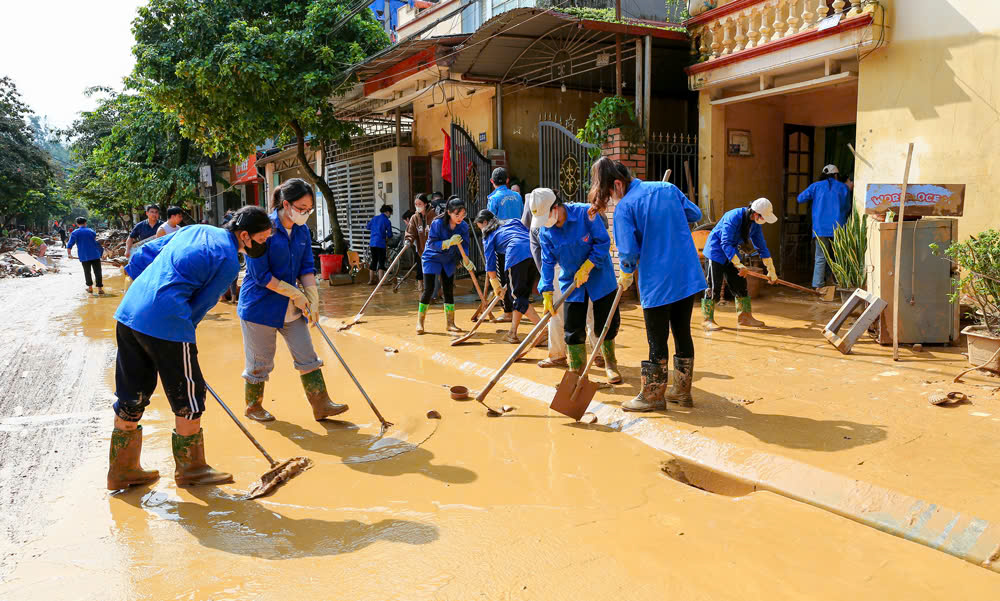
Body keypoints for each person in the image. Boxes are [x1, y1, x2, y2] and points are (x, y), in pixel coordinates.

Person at [107, 205, 272, 490]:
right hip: (166, 319)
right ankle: (191, 469)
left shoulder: (195, 229)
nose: (264, 244)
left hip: (128, 312)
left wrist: (135, 280)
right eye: (262, 239)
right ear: (245, 235)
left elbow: (146, 254)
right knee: (190, 395)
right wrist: (183, 339)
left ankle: (122, 470)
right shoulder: (229, 260)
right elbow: (201, 305)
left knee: (132, 391)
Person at [592, 158, 706, 411]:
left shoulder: (625, 208)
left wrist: (626, 273)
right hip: (686, 275)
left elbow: (628, 253)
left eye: (610, 193)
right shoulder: (667, 189)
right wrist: (667, 215)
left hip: (658, 280)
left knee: (657, 338)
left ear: (618, 184)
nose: (612, 199)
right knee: (682, 331)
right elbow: (695, 214)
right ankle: (682, 392)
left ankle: (654, 395)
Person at [237, 178, 348, 423]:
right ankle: (253, 407)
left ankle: (322, 404)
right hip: (260, 307)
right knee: (259, 363)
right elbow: (260, 275)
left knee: (307, 355)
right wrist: (296, 294)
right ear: (286, 205)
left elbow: (307, 266)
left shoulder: (301, 232)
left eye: (309, 210)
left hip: (292, 307)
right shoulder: (263, 228)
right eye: (301, 208)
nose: (305, 214)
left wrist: (312, 296)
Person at [535, 193, 622, 384]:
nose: (545, 222)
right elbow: (547, 262)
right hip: (572, 281)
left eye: (546, 216)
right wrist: (547, 291)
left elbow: (603, 242)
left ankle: (610, 364)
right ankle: (577, 372)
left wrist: (588, 266)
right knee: (573, 328)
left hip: (600, 276)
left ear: (555, 207)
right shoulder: (545, 231)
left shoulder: (586, 213)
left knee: (604, 323)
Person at [701, 198, 779, 330]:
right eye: (763, 217)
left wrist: (771, 270)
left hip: (732, 252)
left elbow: (761, 246)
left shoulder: (755, 224)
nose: (763, 220)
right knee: (713, 286)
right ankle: (707, 319)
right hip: (716, 251)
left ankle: (745, 317)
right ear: (755, 213)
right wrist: (739, 265)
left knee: (740, 284)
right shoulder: (733, 217)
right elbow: (725, 242)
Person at [474, 209, 543, 343]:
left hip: (516, 255)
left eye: (480, 227)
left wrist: (495, 284)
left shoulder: (488, 235)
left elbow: (490, 263)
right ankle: (512, 333)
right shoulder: (513, 221)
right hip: (533, 254)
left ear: (485, 222)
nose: (481, 230)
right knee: (520, 296)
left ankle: (544, 329)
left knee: (516, 298)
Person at [417, 197, 472, 335]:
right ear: (449, 212)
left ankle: (450, 323)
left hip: (449, 259)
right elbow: (431, 244)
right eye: (456, 214)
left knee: (448, 289)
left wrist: (465, 259)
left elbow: (465, 246)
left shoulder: (464, 226)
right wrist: (447, 242)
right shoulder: (437, 223)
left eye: (463, 214)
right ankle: (420, 323)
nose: (460, 217)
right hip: (432, 257)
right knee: (429, 289)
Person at [798, 164, 851, 289]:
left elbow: (800, 198)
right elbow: (848, 207)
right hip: (839, 228)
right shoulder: (843, 187)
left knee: (820, 257)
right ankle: (841, 284)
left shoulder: (816, 186)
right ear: (836, 175)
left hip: (820, 229)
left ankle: (818, 286)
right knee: (839, 257)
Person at [487, 168, 524, 321]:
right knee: (515, 277)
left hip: (502, 243)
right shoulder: (517, 196)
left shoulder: (493, 199)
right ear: (507, 180)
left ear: (492, 182)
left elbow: (490, 223)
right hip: (520, 240)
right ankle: (519, 309)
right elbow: (522, 216)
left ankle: (508, 311)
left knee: (503, 278)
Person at [66, 217, 106, 294]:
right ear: (85, 223)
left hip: (84, 256)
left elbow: (70, 244)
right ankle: (100, 289)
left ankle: (90, 288)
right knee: (98, 272)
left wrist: (69, 254)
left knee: (87, 272)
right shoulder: (91, 231)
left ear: (77, 224)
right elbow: (95, 242)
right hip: (95, 254)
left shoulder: (75, 232)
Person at [405, 194, 431, 292]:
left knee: (434, 272)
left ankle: (436, 291)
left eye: (419, 204)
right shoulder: (414, 218)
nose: (417, 206)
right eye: (416, 204)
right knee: (420, 269)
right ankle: (421, 288)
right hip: (421, 250)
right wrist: (408, 240)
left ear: (425, 204)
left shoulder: (434, 216)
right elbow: (410, 231)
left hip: (433, 250)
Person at [366, 204, 393, 285]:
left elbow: (368, 227)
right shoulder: (387, 221)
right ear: (387, 212)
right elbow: (390, 234)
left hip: (372, 243)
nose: (390, 216)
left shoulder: (374, 218)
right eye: (390, 214)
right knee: (381, 261)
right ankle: (381, 281)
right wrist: (387, 236)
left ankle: (371, 280)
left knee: (374, 260)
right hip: (381, 243)